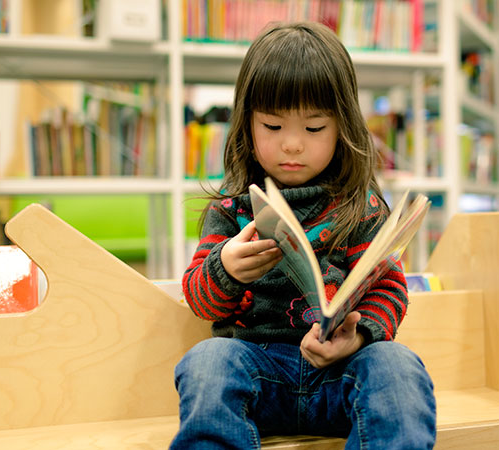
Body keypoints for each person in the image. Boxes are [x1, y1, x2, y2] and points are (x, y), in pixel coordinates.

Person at [171, 21, 436, 449]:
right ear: (247, 125)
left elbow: (390, 289)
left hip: (340, 373)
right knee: (205, 361)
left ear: (342, 126)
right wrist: (227, 269)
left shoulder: (360, 206)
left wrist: (360, 335)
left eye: (314, 129)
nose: (292, 145)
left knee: (398, 365)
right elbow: (199, 299)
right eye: (273, 127)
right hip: (256, 371)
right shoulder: (232, 207)